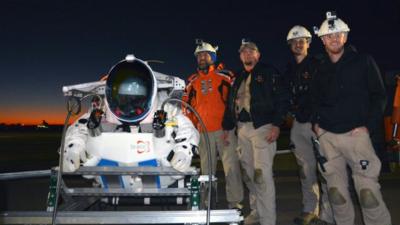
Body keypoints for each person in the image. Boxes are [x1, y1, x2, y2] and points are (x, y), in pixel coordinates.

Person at [62, 55, 200, 190]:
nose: (130, 104)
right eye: (125, 97)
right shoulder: (104, 109)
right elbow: (79, 127)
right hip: (104, 168)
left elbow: (186, 127)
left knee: (169, 148)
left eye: (135, 97)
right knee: (92, 136)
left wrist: (183, 150)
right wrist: (73, 149)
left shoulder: (163, 107)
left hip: (162, 169)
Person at [311, 12, 392, 225]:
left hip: (357, 136)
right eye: (329, 36)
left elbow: (379, 95)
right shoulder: (319, 68)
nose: (334, 38)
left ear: (346, 36)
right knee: (336, 194)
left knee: (368, 195)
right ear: (322, 40)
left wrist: (367, 125)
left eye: (338, 34)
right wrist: (317, 125)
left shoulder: (363, 61)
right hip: (328, 137)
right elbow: (313, 99)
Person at [222, 39, 290, 225]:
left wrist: (276, 124)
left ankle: (268, 220)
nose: (247, 54)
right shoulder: (238, 77)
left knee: (262, 175)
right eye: (244, 52)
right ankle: (256, 211)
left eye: (251, 51)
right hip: (242, 129)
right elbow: (230, 105)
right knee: (249, 174)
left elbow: (283, 99)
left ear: (258, 55)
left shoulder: (269, 72)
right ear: (240, 56)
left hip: (263, 128)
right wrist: (228, 128)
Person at [183, 40, 244, 209]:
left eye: (206, 54)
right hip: (203, 132)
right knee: (206, 171)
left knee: (231, 168)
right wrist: (193, 128)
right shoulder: (192, 80)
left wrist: (233, 123)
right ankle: (206, 203)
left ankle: (235, 202)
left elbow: (237, 100)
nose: (202, 58)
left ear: (213, 57)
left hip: (225, 130)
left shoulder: (226, 75)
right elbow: (186, 106)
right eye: (199, 55)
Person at [284, 25, 334, 225]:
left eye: (302, 40)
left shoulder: (318, 64)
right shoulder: (289, 70)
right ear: (290, 45)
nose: (298, 44)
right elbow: (286, 96)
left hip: (318, 122)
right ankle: (309, 209)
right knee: (306, 170)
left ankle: (328, 215)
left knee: (326, 169)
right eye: (294, 42)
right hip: (299, 123)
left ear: (308, 43)